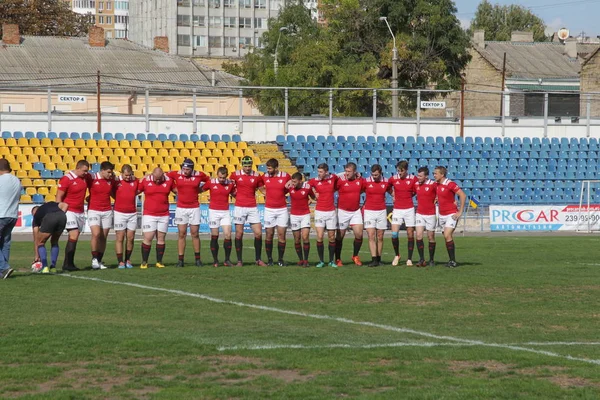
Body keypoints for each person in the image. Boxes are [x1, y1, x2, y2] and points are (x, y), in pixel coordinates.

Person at [168, 158, 210, 267]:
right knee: (181, 233)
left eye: (187, 169)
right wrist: (173, 189)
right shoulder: (176, 174)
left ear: (192, 169)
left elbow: (209, 181)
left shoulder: (199, 174)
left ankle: (197, 259)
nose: (185, 171)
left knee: (195, 233)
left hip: (194, 207)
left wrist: (201, 189)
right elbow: (165, 177)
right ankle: (180, 260)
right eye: (184, 169)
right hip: (181, 208)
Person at [230, 155, 267, 266]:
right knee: (239, 234)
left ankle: (258, 259)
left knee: (258, 233)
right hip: (239, 207)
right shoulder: (235, 175)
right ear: (242, 165)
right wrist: (236, 195)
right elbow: (230, 188)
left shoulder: (256, 176)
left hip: (252, 207)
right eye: (245, 166)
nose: (247, 168)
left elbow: (263, 190)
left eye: (249, 166)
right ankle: (239, 261)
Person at [138, 167, 177, 269]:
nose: (158, 180)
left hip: (163, 214)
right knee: (148, 237)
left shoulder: (169, 181)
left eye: (160, 178)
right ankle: (144, 261)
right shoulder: (146, 180)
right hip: (149, 214)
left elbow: (177, 191)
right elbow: (136, 190)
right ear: (152, 175)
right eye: (156, 178)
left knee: (161, 238)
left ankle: (159, 261)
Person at [56, 159, 90, 272]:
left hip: (80, 211)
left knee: (75, 237)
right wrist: (59, 210)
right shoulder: (67, 179)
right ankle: (68, 263)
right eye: (84, 171)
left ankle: (68, 263)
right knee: (74, 234)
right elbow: (59, 196)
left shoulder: (85, 178)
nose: (86, 173)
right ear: (78, 168)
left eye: (87, 171)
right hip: (69, 210)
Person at [259, 158, 291, 267]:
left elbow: (290, 186)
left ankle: (280, 259)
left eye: (270, 168)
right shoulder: (264, 176)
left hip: (282, 209)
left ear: (276, 168)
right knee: (269, 234)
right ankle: (270, 259)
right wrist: (265, 193)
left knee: (282, 235)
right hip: (269, 209)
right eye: (267, 168)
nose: (268, 170)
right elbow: (259, 185)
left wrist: (282, 193)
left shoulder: (285, 176)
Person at [434, 166, 467, 268]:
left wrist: (460, 211)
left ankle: (453, 261)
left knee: (447, 235)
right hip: (441, 215)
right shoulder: (437, 185)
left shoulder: (450, 184)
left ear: (442, 174)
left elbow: (463, 195)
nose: (434, 175)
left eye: (435, 173)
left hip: (451, 214)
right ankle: (451, 260)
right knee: (446, 237)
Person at [203, 167, 236, 267]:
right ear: (217, 174)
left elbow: (235, 194)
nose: (221, 179)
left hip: (225, 212)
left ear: (226, 176)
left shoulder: (230, 184)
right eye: (220, 177)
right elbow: (200, 189)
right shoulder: (211, 182)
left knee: (228, 235)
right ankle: (215, 260)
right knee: (215, 235)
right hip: (213, 212)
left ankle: (227, 260)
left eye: (223, 178)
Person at [308, 163, 339, 268]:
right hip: (320, 212)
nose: (319, 173)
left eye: (321, 172)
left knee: (331, 237)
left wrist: (357, 173)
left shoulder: (333, 178)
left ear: (326, 172)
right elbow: (305, 186)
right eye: (318, 171)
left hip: (331, 212)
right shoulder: (314, 181)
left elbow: (343, 175)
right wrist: (312, 194)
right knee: (320, 236)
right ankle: (321, 261)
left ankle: (331, 261)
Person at [87, 161, 116, 270]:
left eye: (111, 172)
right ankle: (94, 258)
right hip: (94, 210)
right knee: (96, 234)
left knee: (103, 237)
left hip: (107, 211)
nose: (110, 174)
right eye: (108, 172)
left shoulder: (111, 180)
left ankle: (99, 260)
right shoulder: (92, 177)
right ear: (102, 170)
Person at [334, 162, 365, 266]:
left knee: (359, 234)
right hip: (343, 212)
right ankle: (337, 258)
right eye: (346, 171)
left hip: (355, 211)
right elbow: (331, 186)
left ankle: (355, 256)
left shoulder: (360, 180)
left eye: (349, 171)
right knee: (340, 236)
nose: (347, 173)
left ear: (355, 172)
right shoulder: (340, 180)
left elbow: (366, 189)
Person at [389, 160, 418, 266]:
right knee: (394, 233)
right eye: (398, 171)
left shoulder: (413, 179)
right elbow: (387, 186)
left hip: (409, 209)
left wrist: (410, 195)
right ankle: (397, 255)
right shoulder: (393, 179)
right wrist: (393, 194)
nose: (399, 173)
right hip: (397, 209)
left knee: (410, 233)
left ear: (406, 170)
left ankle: (409, 258)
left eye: (401, 171)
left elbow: (416, 190)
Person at [362, 164, 392, 267]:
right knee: (371, 235)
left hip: (381, 211)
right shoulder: (366, 181)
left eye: (376, 175)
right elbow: (359, 190)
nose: (374, 177)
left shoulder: (386, 181)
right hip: (369, 211)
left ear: (380, 173)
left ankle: (379, 259)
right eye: (373, 174)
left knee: (380, 236)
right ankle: (373, 259)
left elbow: (392, 192)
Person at [113, 164, 139, 269]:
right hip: (119, 213)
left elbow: (139, 189)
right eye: (126, 175)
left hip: (132, 213)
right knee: (120, 237)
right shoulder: (116, 182)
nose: (128, 177)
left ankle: (128, 259)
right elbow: (111, 192)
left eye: (129, 175)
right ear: (121, 173)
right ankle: (120, 261)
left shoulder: (135, 181)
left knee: (131, 238)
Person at [31, 202, 69, 273]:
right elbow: (65, 205)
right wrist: (59, 215)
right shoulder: (51, 204)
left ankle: (45, 267)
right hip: (62, 216)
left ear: (33, 213)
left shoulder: (36, 217)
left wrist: (37, 256)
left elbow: (36, 238)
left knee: (40, 242)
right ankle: (53, 267)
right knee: (54, 241)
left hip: (49, 217)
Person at [0, 158, 21, 280]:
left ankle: (4, 267)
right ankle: (3, 271)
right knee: (5, 243)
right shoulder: (16, 180)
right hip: (12, 214)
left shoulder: (1, 180)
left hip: (1, 214)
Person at [288, 172, 314, 267]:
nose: (293, 183)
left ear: (300, 181)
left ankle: (306, 260)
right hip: (294, 215)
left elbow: (313, 196)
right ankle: (300, 259)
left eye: (295, 182)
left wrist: (311, 200)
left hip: (305, 214)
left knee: (305, 237)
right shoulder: (290, 187)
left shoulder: (307, 187)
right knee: (297, 239)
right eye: (292, 181)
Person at [414, 167, 438, 267]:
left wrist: (437, 198)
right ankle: (421, 259)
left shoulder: (433, 185)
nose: (418, 177)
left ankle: (431, 259)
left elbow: (440, 193)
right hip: (420, 213)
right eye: (418, 175)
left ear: (426, 176)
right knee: (419, 235)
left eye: (420, 176)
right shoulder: (416, 185)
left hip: (430, 214)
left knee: (430, 236)